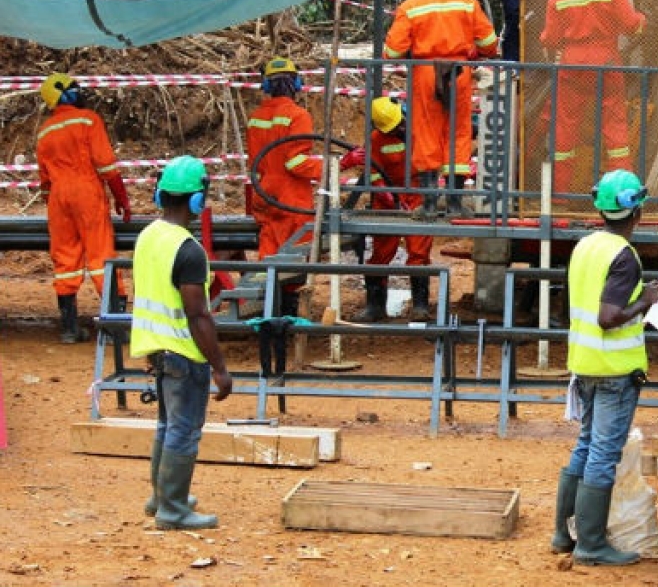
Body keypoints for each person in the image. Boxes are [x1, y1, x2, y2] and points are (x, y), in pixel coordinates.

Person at [551, 169, 658, 567]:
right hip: (614, 369)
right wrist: (647, 300)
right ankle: (591, 544)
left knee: (585, 447)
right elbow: (608, 315)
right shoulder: (624, 256)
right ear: (636, 209)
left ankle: (563, 534)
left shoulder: (586, 246)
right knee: (602, 453)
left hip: (585, 364)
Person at [129, 155, 232, 530]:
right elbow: (198, 315)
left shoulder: (147, 236)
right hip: (185, 353)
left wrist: (151, 347)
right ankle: (173, 509)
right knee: (184, 429)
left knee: (167, 424)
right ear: (196, 201)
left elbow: (144, 293)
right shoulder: (188, 250)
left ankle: (161, 498)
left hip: (158, 348)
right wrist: (220, 367)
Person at [382, 0, 499, 219]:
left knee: (425, 132)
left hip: (424, 73)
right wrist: (471, 51)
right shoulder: (467, 2)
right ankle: (456, 204)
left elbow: (393, 52)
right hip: (459, 73)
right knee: (458, 133)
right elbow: (490, 44)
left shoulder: (410, 7)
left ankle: (431, 205)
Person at [540, 0, 646, 196]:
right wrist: (643, 20)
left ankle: (561, 196)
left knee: (565, 130)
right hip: (606, 63)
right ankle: (623, 193)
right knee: (615, 129)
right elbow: (632, 26)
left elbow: (550, 38)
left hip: (571, 66)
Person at [35, 72, 131, 343]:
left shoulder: (45, 131)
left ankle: (69, 328)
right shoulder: (88, 120)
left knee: (66, 261)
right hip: (86, 192)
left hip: (57, 198)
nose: (79, 91)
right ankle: (115, 327)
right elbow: (106, 165)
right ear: (65, 94)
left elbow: (44, 181)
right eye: (74, 88)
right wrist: (122, 199)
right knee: (101, 256)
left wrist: (57, 207)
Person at [340, 96, 435, 322]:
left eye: (400, 125)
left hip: (417, 195)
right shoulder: (376, 139)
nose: (399, 130)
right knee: (381, 254)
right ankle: (375, 306)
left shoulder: (420, 130)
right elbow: (373, 173)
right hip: (386, 199)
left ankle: (420, 306)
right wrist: (386, 195)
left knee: (419, 253)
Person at [246, 57, 323, 315]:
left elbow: (256, 161)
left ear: (266, 85)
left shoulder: (255, 118)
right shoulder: (298, 116)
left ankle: (269, 313)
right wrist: (331, 169)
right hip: (292, 199)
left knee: (270, 254)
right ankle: (287, 316)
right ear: (297, 83)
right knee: (294, 260)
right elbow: (296, 162)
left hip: (265, 195)